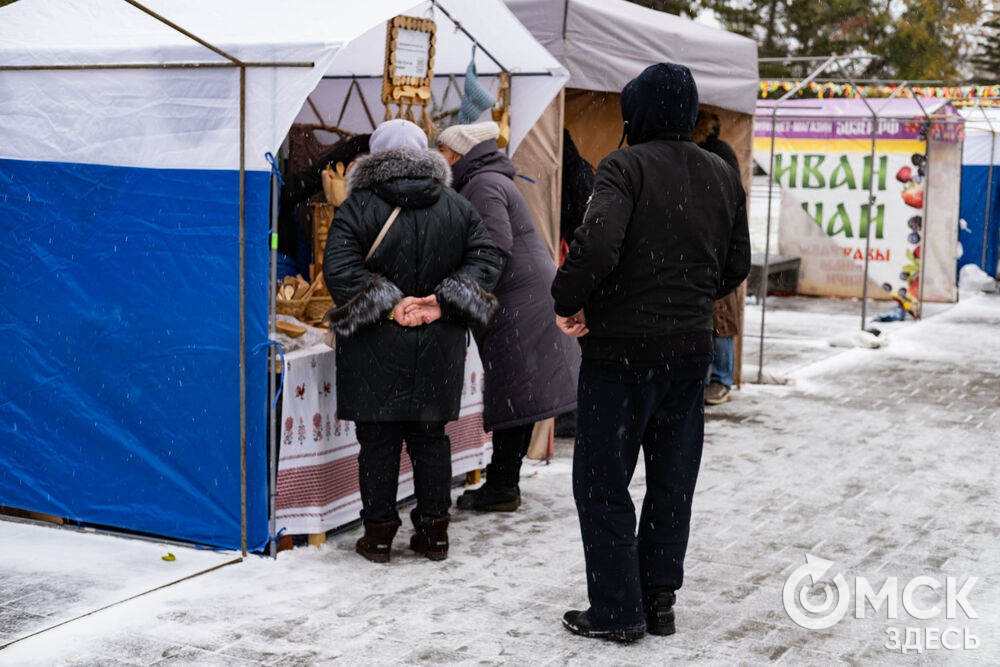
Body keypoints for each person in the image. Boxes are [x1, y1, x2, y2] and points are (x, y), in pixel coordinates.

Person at [551, 63, 750, 642]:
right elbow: (735, 265)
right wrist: (683, 297)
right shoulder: (720, 172)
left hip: (620, 354)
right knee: (672, 475)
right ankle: (658, 598)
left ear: (636, 113)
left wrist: (571, 298)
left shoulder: (624, 166)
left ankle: (617, 609)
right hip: (689, 350)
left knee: (601, 477)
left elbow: (597, 244)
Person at [323, 119, 501, 563]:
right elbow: (487, 258)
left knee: (379, 441)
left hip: (373, 345)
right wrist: (444, 302)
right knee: (431, 438)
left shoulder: (356, 206)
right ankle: (435, 534)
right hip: (437, 343)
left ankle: (379, 536)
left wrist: (390, 303)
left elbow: (340, 269)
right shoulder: (457, 206)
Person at [433, 122, 579, 512]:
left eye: (444, 151)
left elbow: (493, 248)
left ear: (460, 154)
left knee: (515, 394)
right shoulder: (484, 180)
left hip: (518, 303)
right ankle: (503, 483)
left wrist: (460, 297)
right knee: (518, 393)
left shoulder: (482, 185)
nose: (440, 159)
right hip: (520, 298)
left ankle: (502, 485)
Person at [692, 110, 742, 405]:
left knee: (721, 317)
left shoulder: (715, 153)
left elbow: (729, 200)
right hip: (709, 243)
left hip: (717, 245)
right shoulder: (713, 152)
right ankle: (713, 377)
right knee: (712, 317)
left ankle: (721, 378)